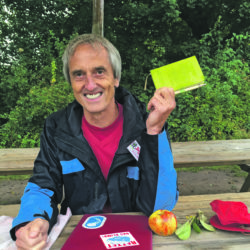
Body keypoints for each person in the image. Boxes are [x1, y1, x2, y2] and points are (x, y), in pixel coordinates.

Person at [10, 34, 179, 249]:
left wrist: (155, 130)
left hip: (138, 236)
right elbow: (43, 183)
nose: (90, 85)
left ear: (116, 78)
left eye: (99, 72)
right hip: (80, 235)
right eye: (79, 75)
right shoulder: (57, 127)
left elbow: (160, 207)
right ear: (70, 82)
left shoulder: (146, 123)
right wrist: (33, 220)